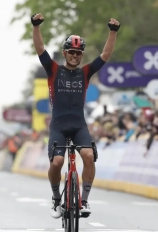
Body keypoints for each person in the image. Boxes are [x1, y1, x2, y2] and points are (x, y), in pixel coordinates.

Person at [31, 13, 120, 219]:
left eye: (79, 53)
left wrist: (113, 32)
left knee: (89, 157)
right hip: (59, 125)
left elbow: (105, 54)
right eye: (71, 52)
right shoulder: (53, 70)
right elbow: (40, 49)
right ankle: (56, 200)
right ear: (65, 53)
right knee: (57, 162)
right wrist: (36, 27)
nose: (75, 56)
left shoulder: (86, 72)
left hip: (79, 125)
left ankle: (84, 200)